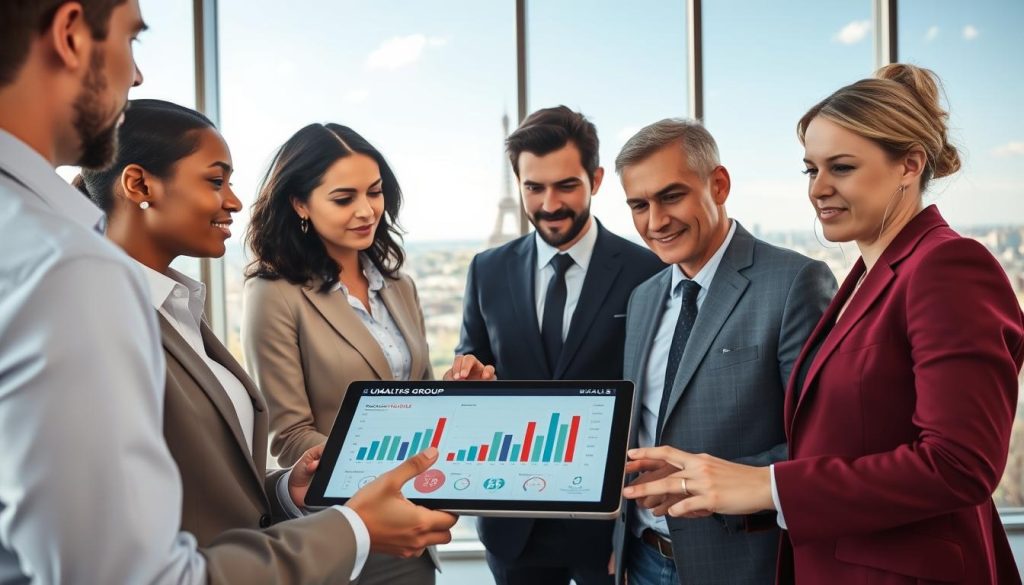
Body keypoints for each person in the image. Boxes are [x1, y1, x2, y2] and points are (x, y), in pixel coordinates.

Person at [0, 2, 454, 582]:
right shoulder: (71, 273)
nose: (234, 202)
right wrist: (355, 525)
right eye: (216, 181)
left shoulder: (174, 305)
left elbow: (202, 493)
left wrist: (288, 493)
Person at [623, 64, 1024, 585]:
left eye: (842, 168)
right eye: (811, 170)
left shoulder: (948, 266)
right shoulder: (865, 275)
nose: (819, 189)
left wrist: (765, 485)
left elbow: (960, 465)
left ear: (909, 164)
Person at [242, 121, 494, 585]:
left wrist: (457, 396)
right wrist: (388, 475)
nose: (366, 211)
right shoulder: (273, 294)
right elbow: (289, 435)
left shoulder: (398, 285)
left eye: (374, 193)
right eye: (344, 199)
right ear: (300, 203)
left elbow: (414, 400)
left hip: (412, 520)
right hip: (342, 529)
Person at [610, 118, 836, 585]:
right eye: (639, 205)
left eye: (671, 196)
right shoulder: (643, 297)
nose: (656, 221)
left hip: (745, 562)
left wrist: (693, 478)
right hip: (643, 560)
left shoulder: (795, 282)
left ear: (718, 185)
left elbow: (825, 445)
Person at [456, 105, 665, 585]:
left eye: (566, 185)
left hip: (607, 523)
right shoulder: (487, 270)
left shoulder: (646, 271)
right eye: (534, 187)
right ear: (519, 185)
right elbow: (475, 356)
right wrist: (470, 374)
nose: (550, 204)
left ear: (595, 179)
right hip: (513, 523)